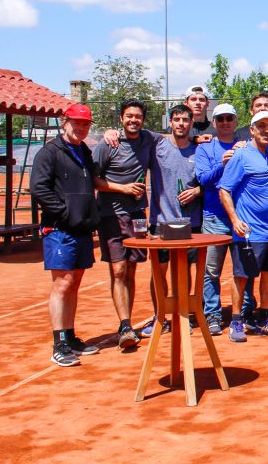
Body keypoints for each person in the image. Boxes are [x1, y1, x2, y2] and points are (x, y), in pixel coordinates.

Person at [30, 104, 102, 367]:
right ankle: (58, 343)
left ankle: (70, 336)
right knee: (63, 283)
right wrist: (63, 212)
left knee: (75, 282)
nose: (81, 128)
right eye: (76, 123)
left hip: (81, 228)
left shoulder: (83, 150)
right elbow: (38, 188)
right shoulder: (49, 152)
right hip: (59, 229)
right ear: (65, 122)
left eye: (85, 124)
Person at [218, 110, 268, 341]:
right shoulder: (241, 155)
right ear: (252, 129)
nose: (266, 130)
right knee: (242, 277)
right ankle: (236, 322)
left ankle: (265, 317)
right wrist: (235, 220)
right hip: (249, 232)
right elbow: (225, 189)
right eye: (261, 126)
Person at [92, 99, 153, 350]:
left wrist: (197, 140)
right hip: (112, 214)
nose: (133, 120)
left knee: (131, 268)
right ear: (121, 118)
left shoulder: (149, 139)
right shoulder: (108, 144)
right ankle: (125, 325)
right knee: (117, 270)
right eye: (129, 116)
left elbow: (173, 138)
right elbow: (94, 180)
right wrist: (123, 188)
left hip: (138, 214)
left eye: (137, 116)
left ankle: (127, 323)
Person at [146, 104, 204, 332]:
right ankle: (158, 316)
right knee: (159, 271)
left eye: (185, 120)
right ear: (170, 122)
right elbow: (136, 134)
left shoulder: (199, 150)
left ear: (192, 123)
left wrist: (197, 191)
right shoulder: (157, 147)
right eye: (177, 119)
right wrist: (113, 133)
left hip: (189, 222)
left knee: (184, 270)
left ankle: (183, 314)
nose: (181, 124)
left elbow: (208, 181)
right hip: (161, 222)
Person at [195, 103, 241, 335]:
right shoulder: (205, 149)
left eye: (229, 118)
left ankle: (242, 312)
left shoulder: (244, 146)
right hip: (214, 218)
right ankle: (212, 315)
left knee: (242, 270)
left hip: (241, 218)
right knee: (211, 271)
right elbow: (203, 180)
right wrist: (222, 164)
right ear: (214, 123)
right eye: (220, 118)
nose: (225, 122)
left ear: (235, 122)